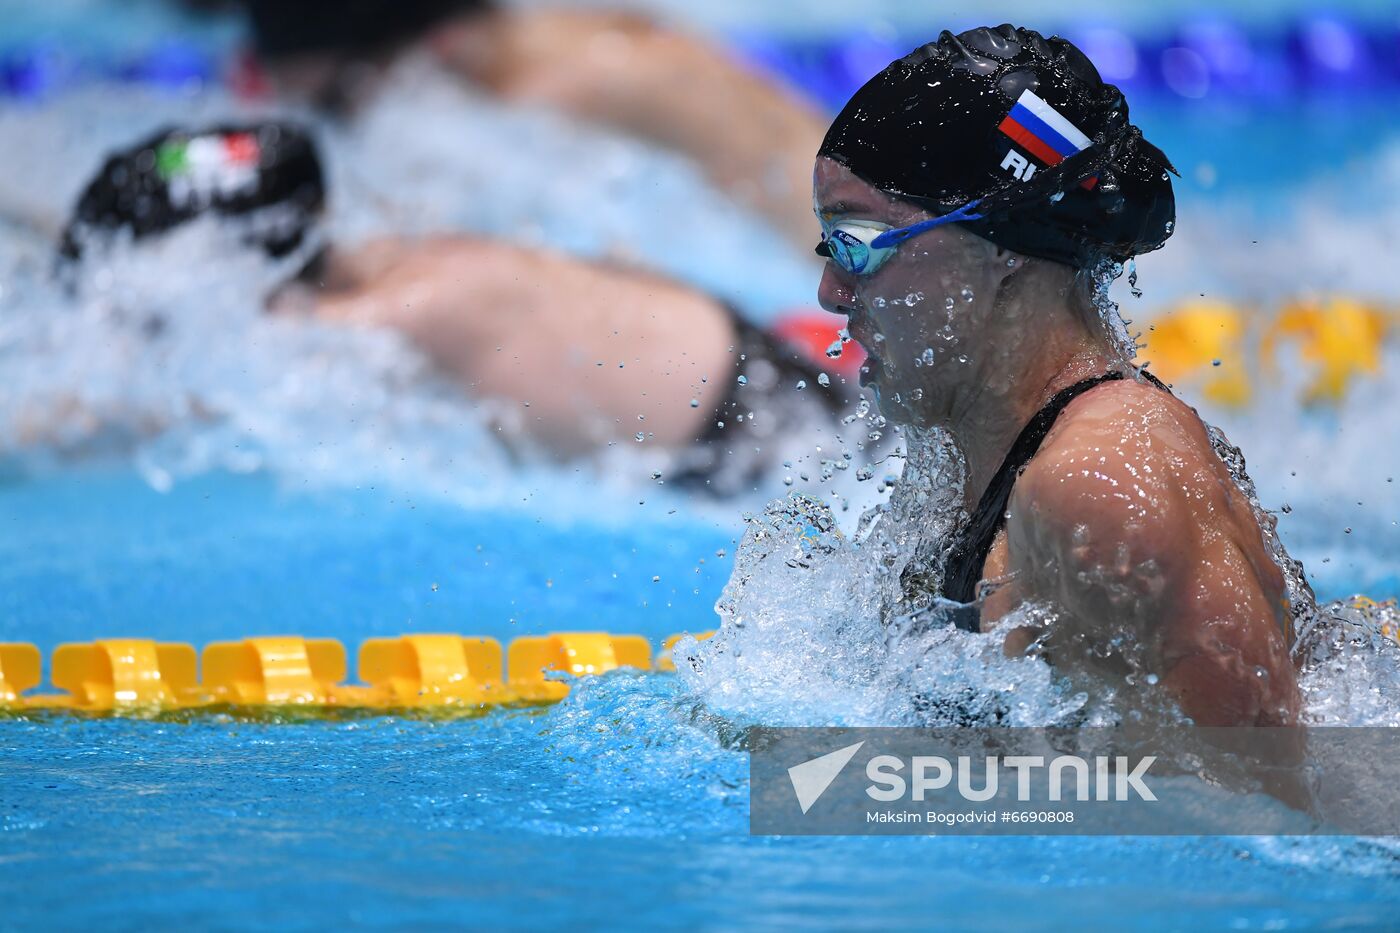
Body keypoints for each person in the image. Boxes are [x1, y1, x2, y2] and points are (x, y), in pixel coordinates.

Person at [811, 26, 1301, 726]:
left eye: (856, 246)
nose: (830, 291)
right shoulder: (981, 446)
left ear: (999, 242)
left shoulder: (1101, 483)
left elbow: (1260, 817)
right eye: (827, 245)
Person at [57, 122, 854, 495]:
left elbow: (165, 408)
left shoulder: (399, 310)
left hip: (775, 448)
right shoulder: (395, 256)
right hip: (769, 375)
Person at [218, 0, 827, 249]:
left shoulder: (605, 78)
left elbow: (834, 201)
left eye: (339, 101)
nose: (352, 124)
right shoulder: (486, 100)